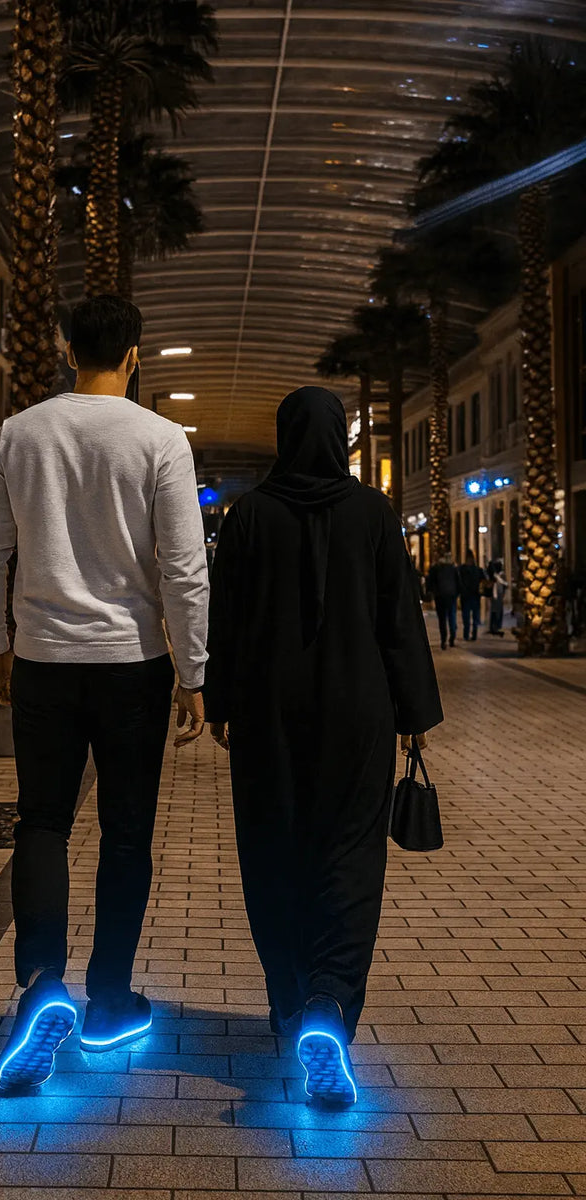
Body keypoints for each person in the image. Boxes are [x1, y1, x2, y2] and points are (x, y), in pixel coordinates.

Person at [0, 295, 209, 1089]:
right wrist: (193, 671)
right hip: (133, 665)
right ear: (134, 354)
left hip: (42, 660)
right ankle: (108, 1001)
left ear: (65, 346)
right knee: (127, 833)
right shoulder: (161, 439)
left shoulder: (20, 433)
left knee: (40, 823)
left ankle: (42, 985)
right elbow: (183, 567)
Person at [203, 387, 442, 1106]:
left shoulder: (250, 516)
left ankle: (289, 998)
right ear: (339, 437)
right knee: (349, 852)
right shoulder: (371, 512)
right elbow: (397, 615)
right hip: (358, 711)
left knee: (273, 847)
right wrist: (415, 711)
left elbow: (227, 614)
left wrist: (217, 702)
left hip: (268, 712)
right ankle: (330, 1005)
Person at [426, 551, 460, 649]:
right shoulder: (453, 568)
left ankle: (443, 640)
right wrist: (457, 593)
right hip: (451, 595)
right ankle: (452, 635)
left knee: (442, 619)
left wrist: (431, 593)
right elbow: (458, 581)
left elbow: (430, 582)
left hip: (440, 596)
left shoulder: (435, 568)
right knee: (452, 616)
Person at [458, 548, 485, 641]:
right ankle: (474, 633)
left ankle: (467, 634)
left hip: (466, 596)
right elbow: (484, 580)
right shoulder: (477, 570)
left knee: (466, 617)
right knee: (474, 616)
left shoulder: (461, 569)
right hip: (474, 595)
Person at [489, 558, 508, 636]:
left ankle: (496, 625)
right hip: (496, 595)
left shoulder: (499, 575)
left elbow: (504, 585)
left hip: (498, 595)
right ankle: (494, 626)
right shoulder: (497, 575)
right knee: (496, 611)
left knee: (497, 611)